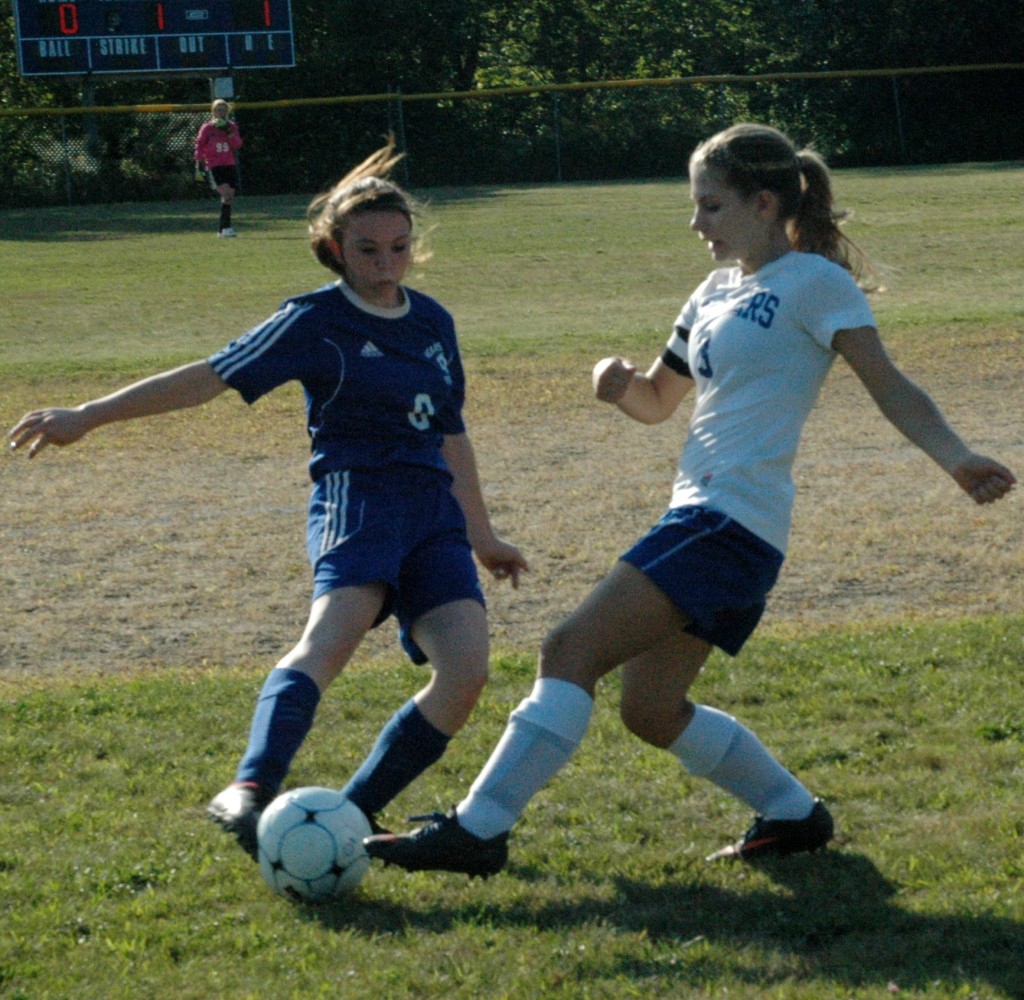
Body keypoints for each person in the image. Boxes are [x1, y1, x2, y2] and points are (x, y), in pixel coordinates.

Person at [364, 122, 1017, 878]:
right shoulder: (712, 291)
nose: (695, 222)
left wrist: (957, 456)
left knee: (568, 650)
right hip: (704, 518)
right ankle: (795, 816)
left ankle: (477, 832)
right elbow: (657, 401)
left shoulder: (815, 282)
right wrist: (618, 387)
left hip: (730, 522)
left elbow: (891, 386)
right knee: (649, 710)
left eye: (710, 205)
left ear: (764, 203)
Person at [8, 138, 528, 860]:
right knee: (330, 639)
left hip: (433, 518)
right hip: (360, 503)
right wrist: (89, 415)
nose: (385, 264)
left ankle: (347, 818)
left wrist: (483, 533)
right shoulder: (314, 320)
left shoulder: (434, 322)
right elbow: (210, 376)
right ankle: (249, 789)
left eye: (399, 248)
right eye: (368, 250)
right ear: (337, 249)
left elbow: (451, 433)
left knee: (467, 672)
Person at [194, 99, 243, 237]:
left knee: (229, 198)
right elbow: (200, 145)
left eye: (223, 110)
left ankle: (223, 229)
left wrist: (228, 132)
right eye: (218, 110)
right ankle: (225, 229)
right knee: (226, 195)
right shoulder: (208, 127)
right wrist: (199, 163)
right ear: (213, 111)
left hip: (229, 163)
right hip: (215, 165)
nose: (221, 112)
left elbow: (238, 144)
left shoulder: (231, 126)